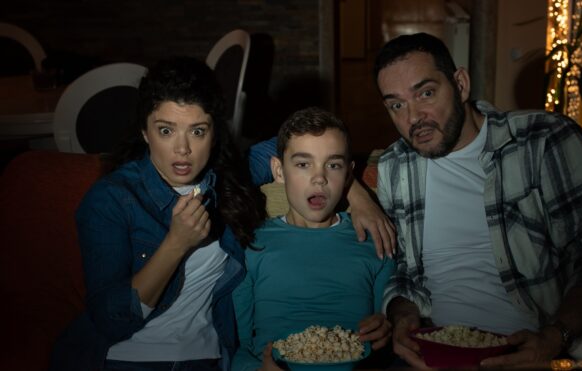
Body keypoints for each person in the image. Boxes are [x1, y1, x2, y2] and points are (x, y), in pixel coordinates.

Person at [50, 57, 394, 371]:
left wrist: (355, 191)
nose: (182, 149)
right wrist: (175, 244)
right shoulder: (112, 199)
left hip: (207, 359)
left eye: (197, 131)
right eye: (166, 130)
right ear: (144, 131)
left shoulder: (230, 180)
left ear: (215, 134)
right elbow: (111, 320)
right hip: (123, 358)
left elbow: (308, 147)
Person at [373, 33, 582, 368]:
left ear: (461, 84)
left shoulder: (544, 140)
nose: (413, 118)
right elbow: (400, 271)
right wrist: (402, 313)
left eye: (426, 93)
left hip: (536, 348)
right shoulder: (395, 168)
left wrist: (554, 338)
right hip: (433, 350)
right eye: (396, 105)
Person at [231, 107, 395, 371]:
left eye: (333, 165)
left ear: (348, 175)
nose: (319, 178)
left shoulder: (374, 240)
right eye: (303, 164)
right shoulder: (251, 245)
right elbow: (236, 346)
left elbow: (386, 330)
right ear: (279, 170)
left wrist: (385, 329)